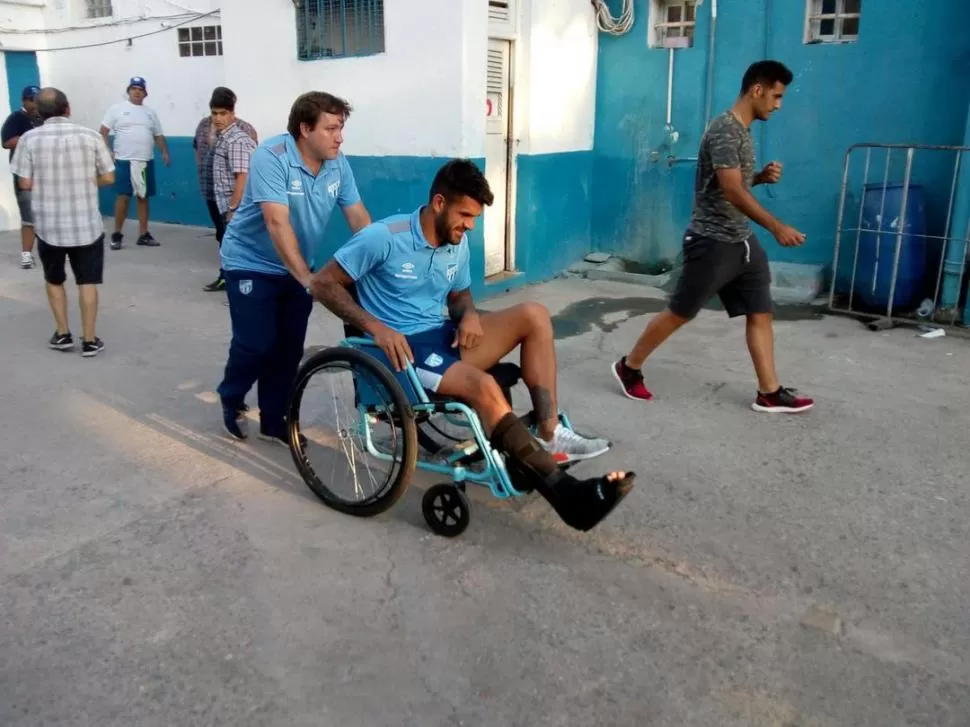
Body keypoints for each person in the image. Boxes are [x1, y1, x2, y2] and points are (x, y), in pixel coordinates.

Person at [312, 158, 635, 533]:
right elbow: (322, 284)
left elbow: (460, 294)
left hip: (443, 335)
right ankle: (569, 497)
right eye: (464, 214)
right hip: (401, 352)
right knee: (483, 387)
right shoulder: (384, 237)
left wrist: (468, 315)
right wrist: (376, 327)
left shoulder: (456, 242)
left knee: (534, 314)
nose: (469, 225)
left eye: (475, 218)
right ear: (438, 203)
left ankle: (549, 432)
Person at [611, 60, 815, 414]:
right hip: (712, 241)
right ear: (757, 90)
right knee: (680, 312)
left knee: (760, 311)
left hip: (742, 241)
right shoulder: (724, 130)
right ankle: (629, 367)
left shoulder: (741, 132)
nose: (778, 105)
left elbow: (726, 186)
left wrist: (760, 179)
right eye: (776, 96)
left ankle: (769, 391)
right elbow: (731, 191)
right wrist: (776, 226)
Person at [216, 91, 372, 445]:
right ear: (305, 128)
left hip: (299, 265)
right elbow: (276, 223)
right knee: (256, 343)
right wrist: (307, 279)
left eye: (341, 128)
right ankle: (231, 394)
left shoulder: (337, 163)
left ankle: (275, 418)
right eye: (331, 128)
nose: (339, 137)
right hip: (250, 262)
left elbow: (359, 218)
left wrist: (382, 261)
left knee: (288, 349)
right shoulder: (272, 157)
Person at [11, 87, 115, 356]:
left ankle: (63, 334)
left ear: (40, 112)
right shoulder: (90, 136)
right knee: (87, 281)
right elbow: (109, 177)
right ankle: (90, 340)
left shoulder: (29, 139)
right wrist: (88, 180)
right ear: (67, 108)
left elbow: (24, 182)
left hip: (49, 226)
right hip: (86, 226)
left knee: (54, 279)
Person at [193, 87, 258, 292]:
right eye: (215, 113)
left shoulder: (238, 138)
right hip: (217, 197)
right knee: (228, 242)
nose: (218, 118)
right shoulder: (218, 133)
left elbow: (243, 176)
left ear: (232, 113)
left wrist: (233, 208)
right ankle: (232, 282)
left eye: (223, 113)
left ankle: (246, 287)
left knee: (241, 248)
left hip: (233, 204)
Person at [99, 76, 170, 250]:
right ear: (128, 91)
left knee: (143, 197)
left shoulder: (150, 113)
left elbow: (158, 134)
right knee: (122, 197)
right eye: (134, 88)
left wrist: (164, 152)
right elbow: (103, 131)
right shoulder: (116, 109)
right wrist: (107, 152)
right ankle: (117, 234)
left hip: (144, 161)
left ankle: (143, 234)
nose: (137, 92)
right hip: (124, 160)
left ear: (145, 93)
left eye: (140, 89)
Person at [1, 85, 43, 269]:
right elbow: (7, 142)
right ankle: (26, 254)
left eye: (38, 99)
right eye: (32, 100)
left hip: (45, 172)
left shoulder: (43, 118)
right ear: (25, 101)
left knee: (50, 214)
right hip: (25, 173)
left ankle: (56, 250)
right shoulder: (16, 118)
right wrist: (29, 135)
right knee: (28, 216)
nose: (35, 103)